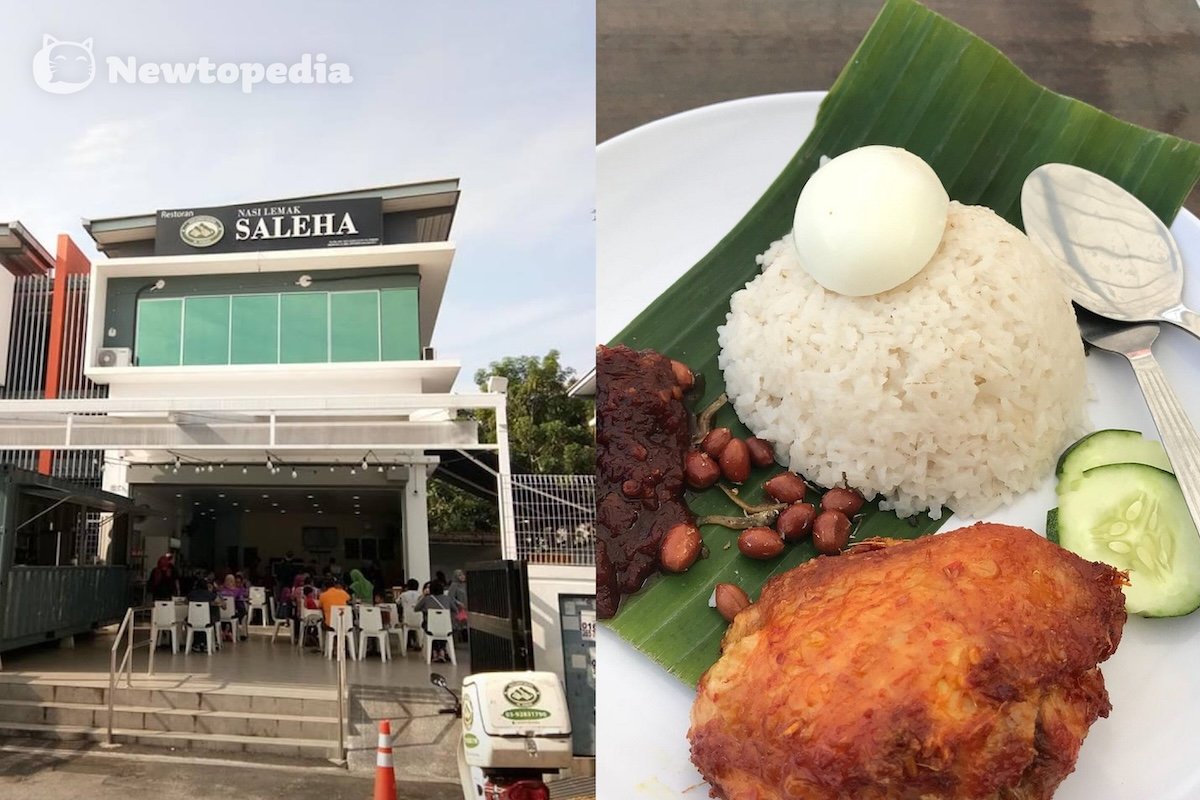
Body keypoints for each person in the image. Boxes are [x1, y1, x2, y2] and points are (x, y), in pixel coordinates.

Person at [416, 581, 460, 662]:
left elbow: (416, 609)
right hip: (446, 628)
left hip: (430, 628)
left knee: (430, 628)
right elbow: (456, 610)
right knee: (442, 630)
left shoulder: (426, 599)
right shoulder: (447, 598)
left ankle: (435, 652)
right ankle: (442, 651)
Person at [448, 569, 469, 640]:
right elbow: (450, 597)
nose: (462, 576)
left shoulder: (465, 585)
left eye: (463, 574)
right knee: (456, 626)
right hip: (457, 609)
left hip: (465, 608)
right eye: (459, 575)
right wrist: (458, 603)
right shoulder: (454, 585)